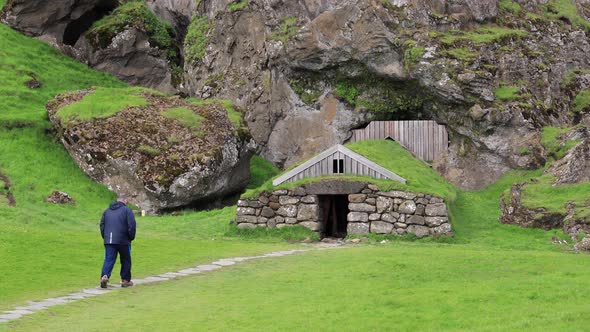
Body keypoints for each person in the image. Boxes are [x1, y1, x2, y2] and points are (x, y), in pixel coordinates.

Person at [99, 194, 136, 288]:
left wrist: (105, 237)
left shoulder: (107, 211)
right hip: (123, 240)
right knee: (125, 260)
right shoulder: (127, 211)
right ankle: (125, 280)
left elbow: (102, 225)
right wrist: (131, 237)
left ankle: (105, 276)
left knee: (109, 259)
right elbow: (131, 226)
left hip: (109, 240)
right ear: (125, 200)